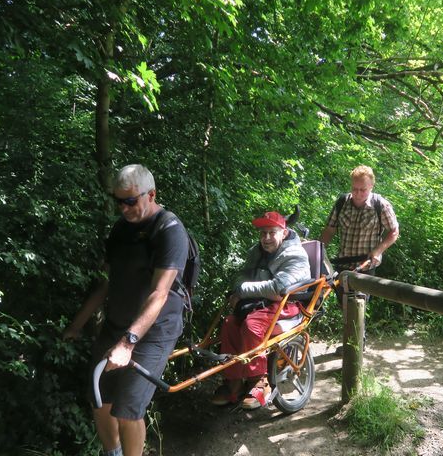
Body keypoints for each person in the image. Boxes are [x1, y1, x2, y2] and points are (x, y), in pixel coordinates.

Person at [63, 164, 189, 456]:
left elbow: (159, 294)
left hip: (156, 329)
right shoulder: (121, 229)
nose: (123, 208)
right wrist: (75, 326)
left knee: (128, 407)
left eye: (130, 201)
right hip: (118, 323)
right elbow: (106, 283)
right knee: (99, 397)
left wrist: (128, 342)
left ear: (151, 194)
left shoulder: (169, 230)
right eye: (118, 201)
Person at [211, 211, 311, 410]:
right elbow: (241, 275)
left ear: (283, 232)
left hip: (288, 304)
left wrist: (241, 291)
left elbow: (278, 289)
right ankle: (234, 382)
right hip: (259, 304)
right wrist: (240, 289)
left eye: (271, 233)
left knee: (252, 325)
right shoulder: (256, 252)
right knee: (230, 323)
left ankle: (259, 381)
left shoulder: (295, 254)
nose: (266, 238)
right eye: (262, 233)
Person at [319, 165, 399, 351]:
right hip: (342, 264)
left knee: (358, 303)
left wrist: (378, 250)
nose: (357, 193)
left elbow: (394, 232)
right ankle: (353, 342)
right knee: (344, 304)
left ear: (371, 186)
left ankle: (355, 346)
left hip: (366, 265)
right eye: (354, 188)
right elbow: (330, 230)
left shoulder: (381, 205)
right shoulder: (341, 203)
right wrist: (317, 251)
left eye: (362, 189)